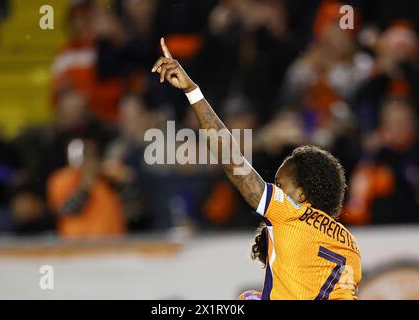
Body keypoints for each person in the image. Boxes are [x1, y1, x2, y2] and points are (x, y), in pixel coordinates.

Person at [152, 38, 361, 299]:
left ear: (301, 196)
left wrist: (193, 93)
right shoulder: (350, 245)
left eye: (281, 187)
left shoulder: (292, 215)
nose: (275, 192)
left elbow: (233, 162)